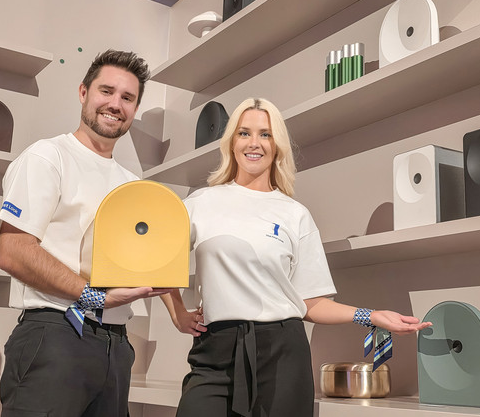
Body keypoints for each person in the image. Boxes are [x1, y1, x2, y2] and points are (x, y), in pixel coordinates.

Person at [161, 98, 432, 417]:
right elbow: (156, 260)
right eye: (244, 133)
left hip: (283, 356)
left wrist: (370, 316)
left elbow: (310, 303)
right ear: (231, 142)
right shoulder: (200, 203)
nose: (254, 143)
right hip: (215, 352)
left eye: (265, 134)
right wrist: (177, 312)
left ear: (277, 146)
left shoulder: (295, 214)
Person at [0, 49, 172, 417]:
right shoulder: (48, 157)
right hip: (56, 333)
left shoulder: (132, 184)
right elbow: (13, 250)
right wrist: (95, 297)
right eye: (106, 91)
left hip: (116, 345)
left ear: (135, 108)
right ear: (83, 92)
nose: (115, 104)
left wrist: (179, 311)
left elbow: (149, 261)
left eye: (127, 97)